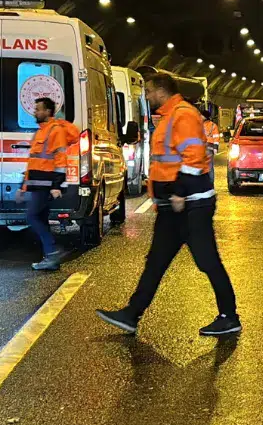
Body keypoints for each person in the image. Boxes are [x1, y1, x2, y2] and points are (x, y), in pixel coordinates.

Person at [97, 73, 241, 336]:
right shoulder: (170, 116)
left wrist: (178, 191)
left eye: (149, 91)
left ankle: (229, 317)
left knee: (207, 261)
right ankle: (131, 314)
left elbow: (193, 158)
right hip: (172, 207)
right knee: (156, 261)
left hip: (190, 205)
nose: (147, 96)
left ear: (162, 91)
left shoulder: (183, 115)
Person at [15, 97, 75, 271]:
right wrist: (23, 187)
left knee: (32, 217)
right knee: (40, 218)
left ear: (48, 111)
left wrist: (56, 185)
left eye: (38, 109)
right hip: (37, 183)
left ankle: (52, 252)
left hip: (46, 184)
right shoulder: (40, 132)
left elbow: (60, 159)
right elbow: (32, 162)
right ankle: (50, 257)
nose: (35, 112)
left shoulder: (55, 131)